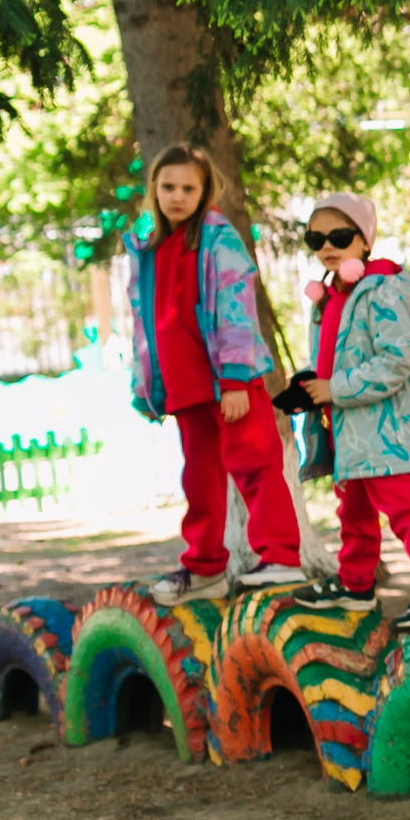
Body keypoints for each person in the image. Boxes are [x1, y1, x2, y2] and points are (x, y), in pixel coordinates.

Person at [126, 144, 304, 605]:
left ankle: (281, 557)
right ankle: (204, 567)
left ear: (205, 191)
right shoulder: (149, 246)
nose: (177, 196)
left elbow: (235, 308)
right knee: (199, 480)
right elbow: (144, 320)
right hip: (185, 388)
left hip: (229, 380)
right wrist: (146, 387)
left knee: (254, 463)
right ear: (155, 190)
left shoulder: (216, 238)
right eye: (168, 187)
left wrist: (235, 377)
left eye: (189, 187)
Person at [284, 192, 410, 628]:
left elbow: (397, 361)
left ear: (365, 241)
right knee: (354, 511)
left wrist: (335, 387)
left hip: (389, 431)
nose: (328, 246)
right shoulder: (331, 297)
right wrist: (313, 386)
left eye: (340, 236)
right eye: (316, 238)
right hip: (349, 432)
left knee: (406, 508)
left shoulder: (382, 290)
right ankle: (356, 585)